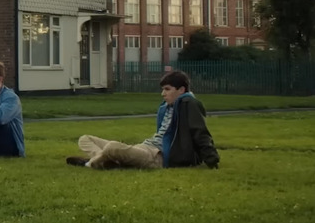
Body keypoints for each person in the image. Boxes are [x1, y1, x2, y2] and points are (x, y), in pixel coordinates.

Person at [66, 70, 220, 170]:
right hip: (145, 147)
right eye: (162, 89)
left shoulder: (189, 103)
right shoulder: (167, 106)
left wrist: (211, 158)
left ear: (181, 90)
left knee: (112, 147)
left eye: (167, 89)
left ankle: (90, 163)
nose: (163, 94)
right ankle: (107, 161)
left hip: (158, 156)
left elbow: (200, 131)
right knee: (85, 139)